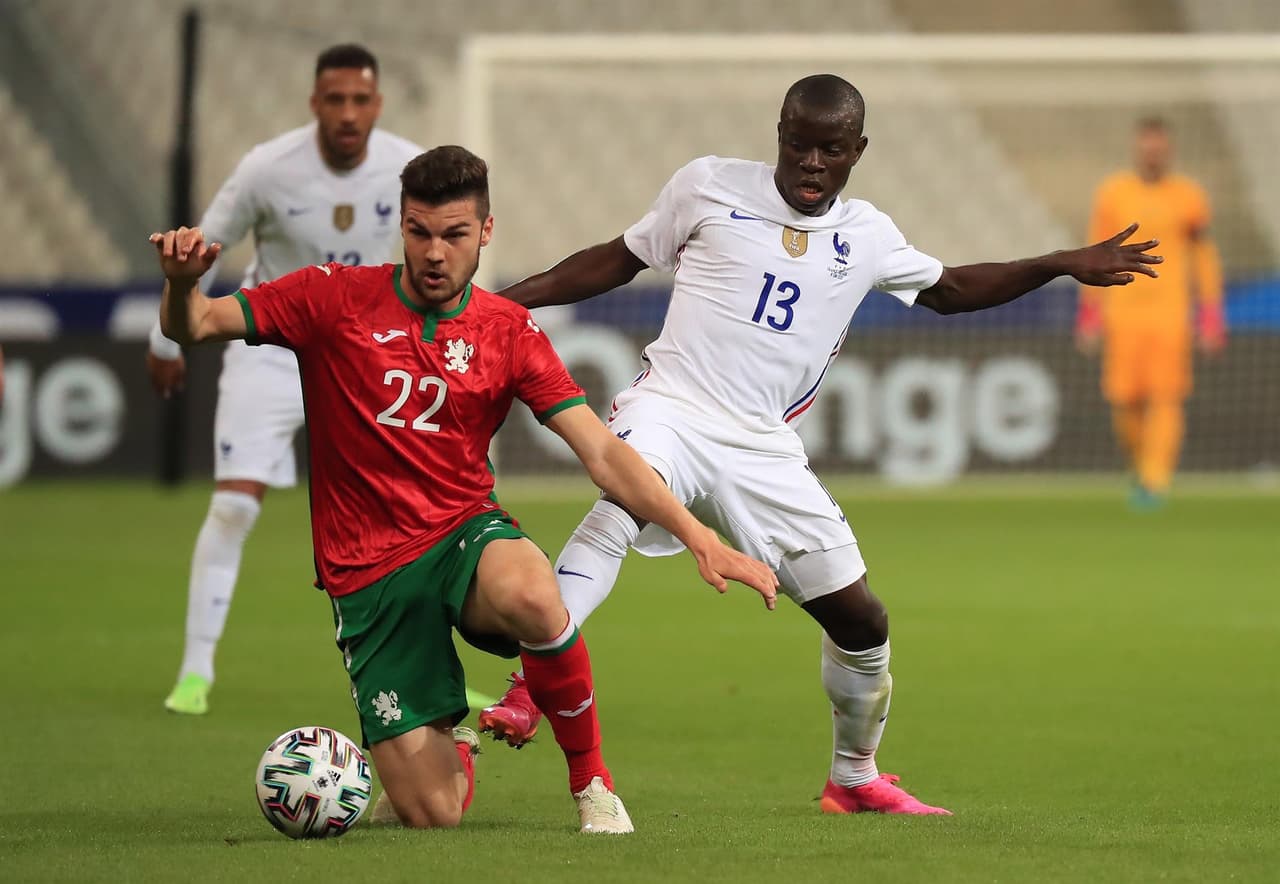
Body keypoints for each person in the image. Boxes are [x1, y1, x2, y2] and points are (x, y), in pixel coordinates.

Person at [479, 74, 1162, 816]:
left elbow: (954, 289)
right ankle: (532, 683)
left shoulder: (867, 235)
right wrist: (506, 304)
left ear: (856, 151)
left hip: (765, 448)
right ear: (778, 134)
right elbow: (618, 258)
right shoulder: (707, 186)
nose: (810, 162)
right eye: (796, 144)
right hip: (672, 405)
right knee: (624, 503)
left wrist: (1058, 262)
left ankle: (855, 777)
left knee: (863, 622)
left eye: (829, 149)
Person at [148, 145, 778, 833]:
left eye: (453, 234)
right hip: (368, 576)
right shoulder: (331, 298)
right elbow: (199, 325)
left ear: (485, 231)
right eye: (419, 233)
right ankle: (453, 745)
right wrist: (181, 285)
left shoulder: (508, 331)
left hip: (461, 538)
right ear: (402, 228)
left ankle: (592, 781)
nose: (434, 253)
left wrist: (698, 537)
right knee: (433, 814)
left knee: (535, 593)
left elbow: (601, 451)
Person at [151, 44, 424, 715]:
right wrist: (166, 336)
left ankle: (426, 673)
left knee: (414, 514)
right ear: (315, 104)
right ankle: (195, 672)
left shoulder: (405, 167)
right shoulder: (267, 169)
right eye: (335, 100)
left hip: (364, 356)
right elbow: (201, 250)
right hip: (268, 344)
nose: (348, 113)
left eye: (361, 100)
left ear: (378, 105)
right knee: (236, 503)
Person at [1076, 117, 1224, 509]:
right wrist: (1089, 314)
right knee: (1125, 401)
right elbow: (1093, 254)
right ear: (1138, 150)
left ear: (1168, 151)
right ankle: (1143, 468)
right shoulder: (1113, 193)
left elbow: (1204, 255)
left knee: (1166, 398)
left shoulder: (1188, 196)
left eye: (1159, 148)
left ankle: (1155, 480)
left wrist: (1210, 315)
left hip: (1170, 316)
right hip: (1122, 315)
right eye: (1147, 147)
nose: (1153, 154)